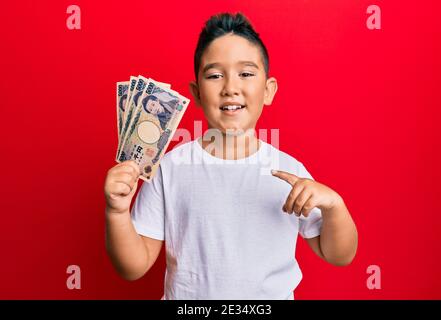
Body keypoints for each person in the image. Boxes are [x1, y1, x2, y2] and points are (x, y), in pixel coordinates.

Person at [104, 12, 358, 300]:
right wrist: (117, 212)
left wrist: (334, 206)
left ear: (268, 90)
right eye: (214, 75)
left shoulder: (290, 171)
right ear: (197, 94)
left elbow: (339, 254)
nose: (230, 88)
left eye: (246, 74)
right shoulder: (170, 167)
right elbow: (133, 267)